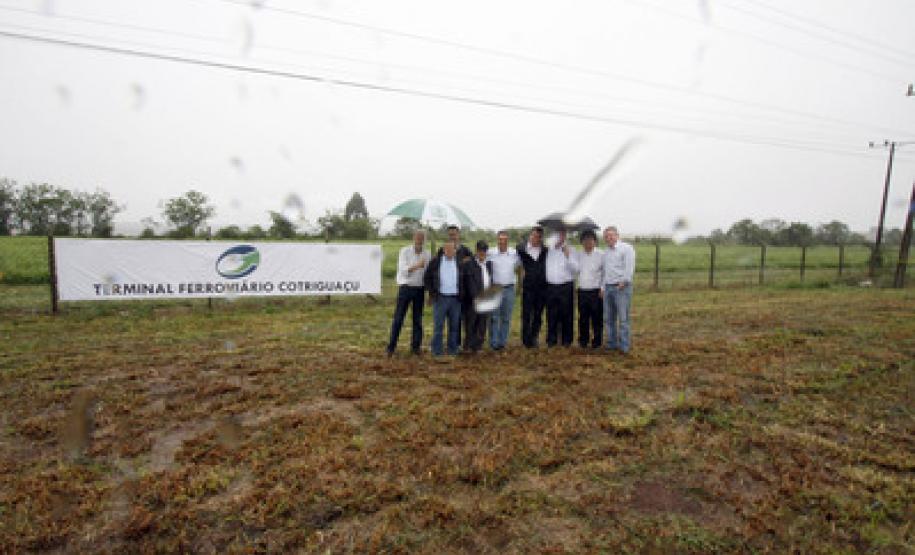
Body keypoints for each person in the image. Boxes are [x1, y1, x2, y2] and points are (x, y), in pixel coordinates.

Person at [386, 230, 430, 356]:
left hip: (420, 289)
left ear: (424, 240)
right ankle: (391, 347)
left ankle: (415, 347)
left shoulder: (427, 254)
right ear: (413, 238)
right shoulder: (404, 251)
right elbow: (403, 270)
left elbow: (427, 273)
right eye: (418, 238)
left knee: (417, 320)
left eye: (422, 238)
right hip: (406, 288)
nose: (420, 240)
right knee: (399, 318)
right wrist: (417, 265)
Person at [600, 226, 635, 354]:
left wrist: (624, 281)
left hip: (621, 287)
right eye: (606, 236)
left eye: (611, 235)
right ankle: (612, 343)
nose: (608, 238)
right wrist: (602, 287)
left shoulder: (626, 248)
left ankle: (624, 346)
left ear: (617, 235)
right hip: (608, 287)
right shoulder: (606, 252)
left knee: (623, 318)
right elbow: (605, 272)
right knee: (609, 318)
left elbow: (629, 267)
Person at [424, 239, 462, 357]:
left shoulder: (460, 262)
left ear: (455, 250)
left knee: (454, 327)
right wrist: (431, 293)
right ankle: (437, 351)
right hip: (440, 298)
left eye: (452, 249)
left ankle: (452, 350)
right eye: (447, 249)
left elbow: (465, 279)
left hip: (456, 299)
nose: (449, 251)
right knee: (438, 326)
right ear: (444, 250)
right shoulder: (435, 262)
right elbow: (427, 278)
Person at [544, 229, 579, 347]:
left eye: (563, 234)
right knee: (551, 314)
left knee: (567, 314)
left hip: (566, 286)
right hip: (550, 286)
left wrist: (568, 256)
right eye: (558, 234)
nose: (560, 237)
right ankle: (551, 340)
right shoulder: (548, 250)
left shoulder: (571, 250)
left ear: (565, 236)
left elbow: (576, 269)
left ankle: (567, 340)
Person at [486, 230, 520, 351]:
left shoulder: (514, 253)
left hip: (509, 289)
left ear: (508, 241)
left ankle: (502, 342)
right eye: (500, 239)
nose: (502, 242)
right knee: (494, 318)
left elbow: (520, 267)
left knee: (506, 318)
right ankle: (493, 342)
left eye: (504, 239)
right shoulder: (491, 253)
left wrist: (520, 285)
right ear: (497, 240)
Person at [516, 226, 547, 348]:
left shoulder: (545, 250)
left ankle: (534, 337)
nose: (535, 238)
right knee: (526, 314)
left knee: (538, 314)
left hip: (542, 288)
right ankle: (525, 339)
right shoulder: (521, 249)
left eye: (538, 237)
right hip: (528, 287)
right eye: (534, 235)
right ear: (530, 235)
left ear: (541, 238)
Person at [461, 240, 493, 353]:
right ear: (476, 251)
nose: (482, 253)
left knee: (482, 324)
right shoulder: (469, 264)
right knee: (470, 323)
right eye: (480, 250)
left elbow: (490, 280)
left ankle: (478, 346)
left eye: (484, 251)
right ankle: (468, 346)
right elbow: (468, 283)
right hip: (472, 300)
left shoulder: (488, 265)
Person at [575, 229, 603, 349]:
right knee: (583, 317)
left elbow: (605, 273)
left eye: (590, 240)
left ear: (595, 241)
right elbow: (575, 270)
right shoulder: (578, 255)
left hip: (596, 291)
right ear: (582, 242)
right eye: (585, 240)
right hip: (582, 291)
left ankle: (597, 341)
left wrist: (602, 288)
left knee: (597, 317)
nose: (588, 243)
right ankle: (583, 340)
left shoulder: (601, 255)